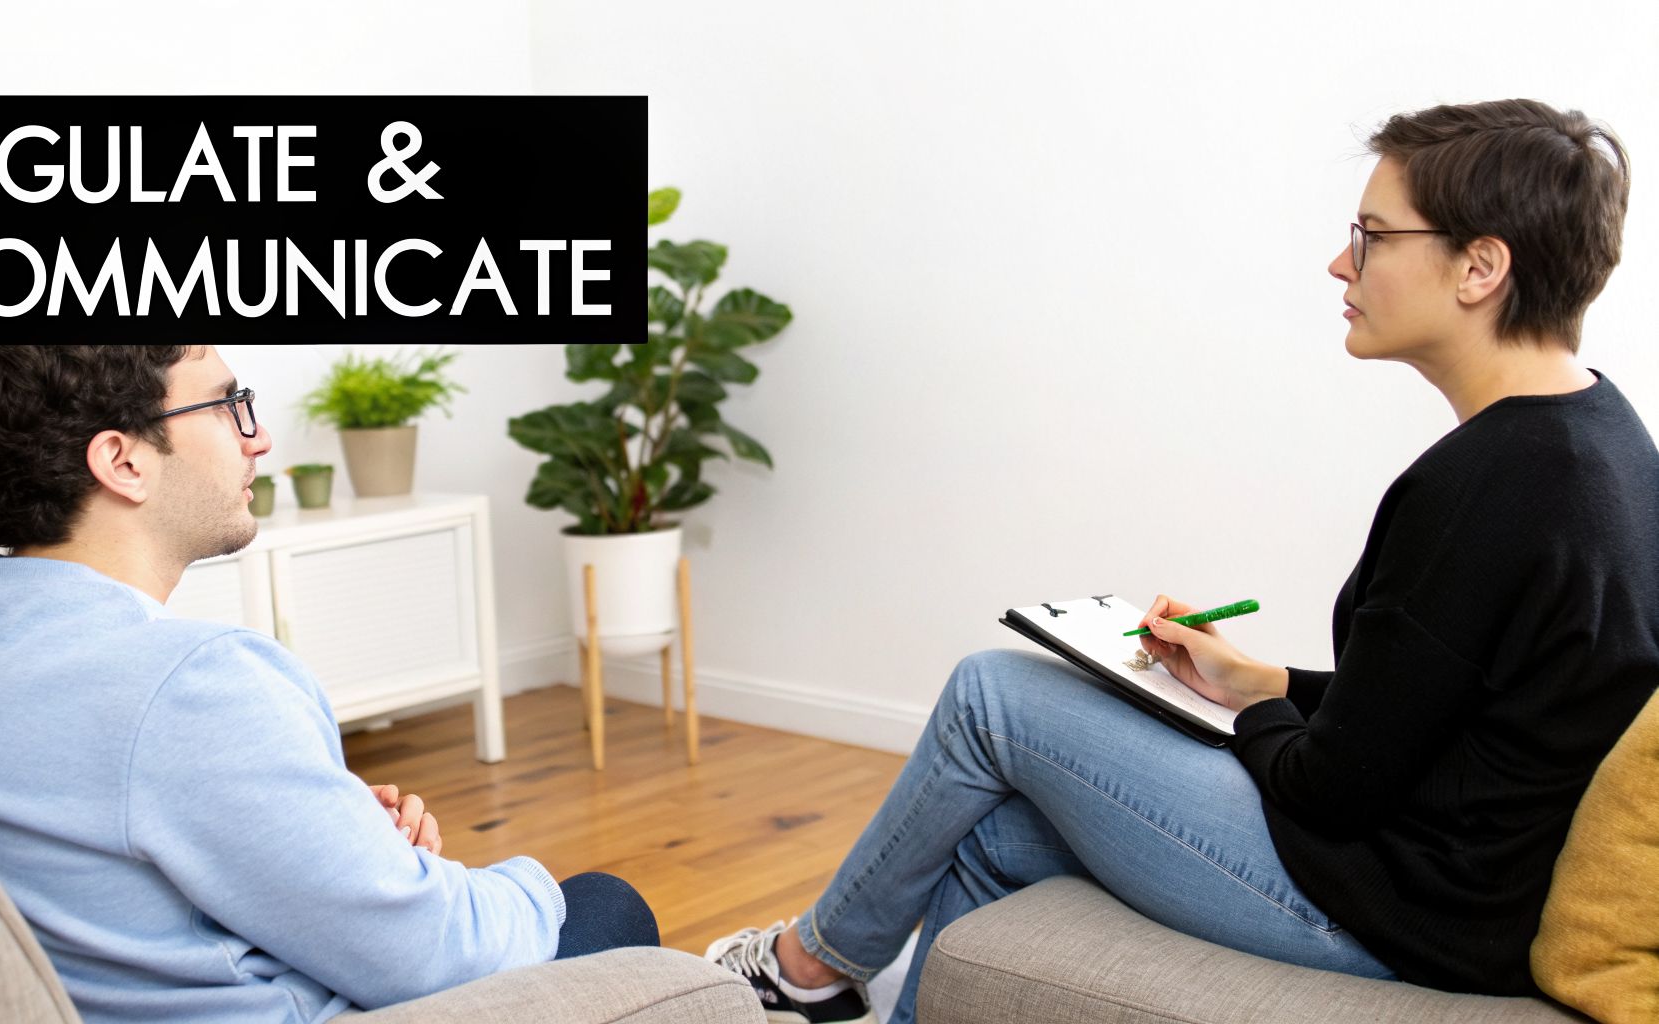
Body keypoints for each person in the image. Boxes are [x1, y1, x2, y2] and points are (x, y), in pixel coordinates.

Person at [704, 98, 1658, 1024]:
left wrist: (1259, 717)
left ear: (1479, 267)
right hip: (1464, 893)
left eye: (1371, 235)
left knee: (993, 695)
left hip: (1401, 915)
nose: (1341, 262)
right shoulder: (1603, 438)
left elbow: (1328, 789)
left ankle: (809, 967)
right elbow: (1457, 709)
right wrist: (1264, 681)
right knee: (994, 835)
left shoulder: (1484, 487)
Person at [0, 345, 659, 1024]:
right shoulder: (191, 685)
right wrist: (477, 884)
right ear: (123, 460)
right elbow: (431, 952)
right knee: (604, 901)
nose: (262, 438)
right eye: (228, 404)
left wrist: (335, 838)